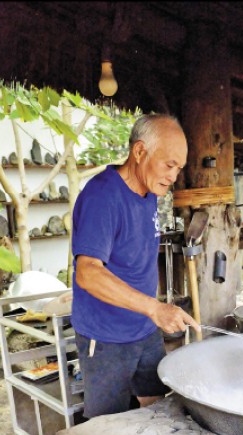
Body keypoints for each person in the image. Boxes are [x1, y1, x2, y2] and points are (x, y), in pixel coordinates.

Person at [71, 114, 200, 419]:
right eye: (169, 165)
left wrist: (153, 311)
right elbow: (87, 272)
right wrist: (155, 308)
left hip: (144, 328)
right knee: (107, 427)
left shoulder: (147, 193)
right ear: (140, 152)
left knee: (157, 407)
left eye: (178, 168)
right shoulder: (102, 196)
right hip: (105, 336)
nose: (173, 176)